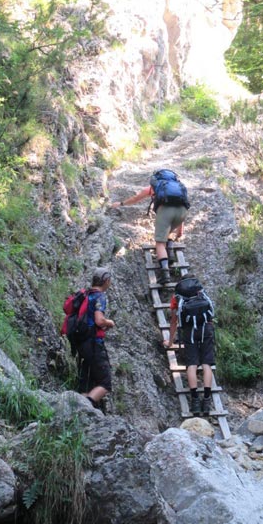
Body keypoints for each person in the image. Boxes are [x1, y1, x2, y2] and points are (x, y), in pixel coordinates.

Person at [110, 169, 189, 285]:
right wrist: (180, 232)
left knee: (160, 243)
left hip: (166, 210)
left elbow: (136, 198)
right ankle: (170, 253)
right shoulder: (178, 189)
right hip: (182, 212)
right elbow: (182, 206)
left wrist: (121, 204)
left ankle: (165, 274)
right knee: (167, 232)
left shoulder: (156, 188)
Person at [163, 274, 215, 416]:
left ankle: (195, 401)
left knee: (191, 364)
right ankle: (207, 400)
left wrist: (170, 342)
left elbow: (174, 321)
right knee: (206, 364)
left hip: (189, 332)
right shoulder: (201, 292)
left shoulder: (177, 297)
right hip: (206, 329)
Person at [75, 267, 115, 407]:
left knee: (87, 382)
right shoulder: (99, 296)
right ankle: (86, 408)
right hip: (94, 343)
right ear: (106, 281)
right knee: (105, 383)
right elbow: (99, 320)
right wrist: (109, 322)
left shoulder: (85, 294)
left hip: (81, 343)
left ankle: (79, 407)